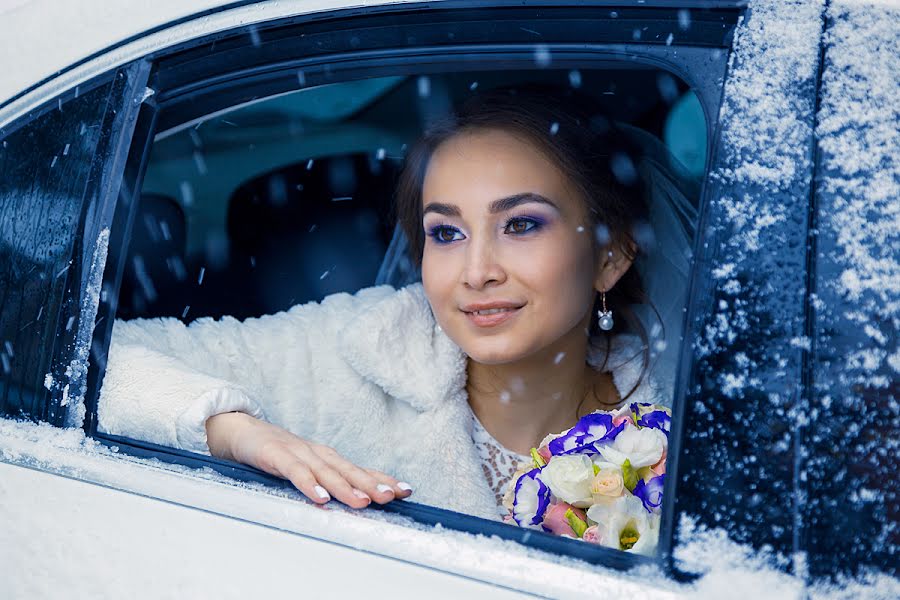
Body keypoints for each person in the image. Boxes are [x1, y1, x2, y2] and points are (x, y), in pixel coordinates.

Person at [98, 87, 668, 521]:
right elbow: (93, 357)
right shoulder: (357, 350)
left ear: (610, 255)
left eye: (520, 224)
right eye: (446, 234)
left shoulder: (680, 406)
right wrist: (240, 432)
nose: (477, 272)